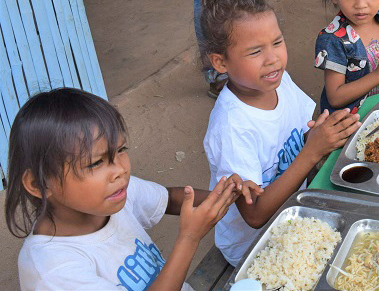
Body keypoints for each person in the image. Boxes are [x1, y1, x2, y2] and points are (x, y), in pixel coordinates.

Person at [6, 88, 254, 289]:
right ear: (39, 184)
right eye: (96, 162)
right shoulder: (52, 272)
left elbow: (170, 199)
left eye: (121, 151)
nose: (120, 170)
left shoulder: (111, 194)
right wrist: (189, 237)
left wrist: (227, 194)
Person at [200, 0, 362, 265]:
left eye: (277, 42)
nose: (272, 58)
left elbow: (305, 129)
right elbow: (254, 214)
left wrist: (329, 130)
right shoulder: (231, 126)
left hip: (293, 218)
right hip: (256, 247)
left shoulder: (280, 81)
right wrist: (312, 151)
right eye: (255, 52)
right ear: (220, 62)